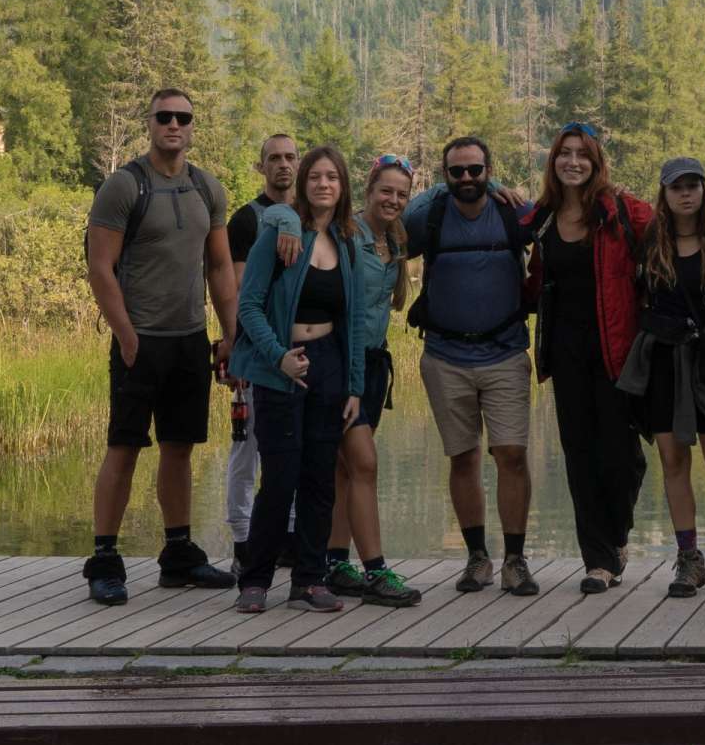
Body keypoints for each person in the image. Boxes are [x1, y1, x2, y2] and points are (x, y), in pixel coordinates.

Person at [82, 88, 238, 606]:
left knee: (180, 447)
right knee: (124, 446)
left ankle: (178, 555)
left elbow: (220, 266)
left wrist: (230, 335)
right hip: (139, 342)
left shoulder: (206, 188)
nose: (174, 125)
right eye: (164, 117)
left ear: (193, 126)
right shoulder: (125, 186)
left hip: (189, 340)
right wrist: (126, 334)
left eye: (183, 118)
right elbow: (100, 268)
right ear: (149, 123)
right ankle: (105, 559)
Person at [230, 146, 377, 614]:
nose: (323, 184)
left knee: (319, 480)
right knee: (280, 478)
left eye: (332, 177)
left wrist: (354, 387)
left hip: (329, 364)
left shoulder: (348, 243)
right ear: (303, 183)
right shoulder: (279, 234)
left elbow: (354, 321)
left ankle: (309, 581)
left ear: (342, 185)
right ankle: (255, 580)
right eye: (315, 176)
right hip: (281, 366)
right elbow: (248, 306)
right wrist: (279, 358)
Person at [405, 137, 541, 597]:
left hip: (505, 354)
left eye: (476, 170)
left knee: (512, 455)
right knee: (462, 457)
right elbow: (388, 231)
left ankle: (515, 561)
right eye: (457, 171)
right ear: (445, 175)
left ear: (489, 170)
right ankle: (478, 558)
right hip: (445, 357)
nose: (467, 178)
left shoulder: (513, 213)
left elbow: (562, 223)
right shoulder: (430, 216)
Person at [523, 123, 651, 594]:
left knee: (621, 455)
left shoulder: (621, 210)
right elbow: (533, 277)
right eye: (564, 153)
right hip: (566, 352)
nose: (572, 162)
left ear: (596, 163)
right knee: (579, 454)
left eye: (582, 154)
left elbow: (682, 224)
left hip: (616, 349)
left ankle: (616, 535)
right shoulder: (542, 216)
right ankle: (598, 560)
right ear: (553, 161)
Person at [619, 157, 705, 599]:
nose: (686, 193)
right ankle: (689, 559)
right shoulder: (651, 239)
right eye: (677, 187)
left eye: (693, 185)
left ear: (703, 190)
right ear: (665, 193)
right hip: (662, 359)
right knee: (673, 459)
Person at [322, 155, 422, 607]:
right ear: (368, 189)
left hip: (376, 363)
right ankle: (376, 570)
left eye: (402, 194)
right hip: (341, 363)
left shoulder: (396, 240)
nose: (393, 200)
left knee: (346, 468)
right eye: (386, 190)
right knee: (364, 463)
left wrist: (498, 187)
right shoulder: (343, 234)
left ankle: (335, 562)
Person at [224, 132, 299, 574]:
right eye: (274, 158)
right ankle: (241, 541)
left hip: (299, 353)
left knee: (290, 449)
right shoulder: (244, 221)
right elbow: (238, 293)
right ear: (261, 166)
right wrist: (234, 349)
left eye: (290, 157)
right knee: (246, 448)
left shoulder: (309, 217)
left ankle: (288, 538)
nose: (283, 165)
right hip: (255, 354)